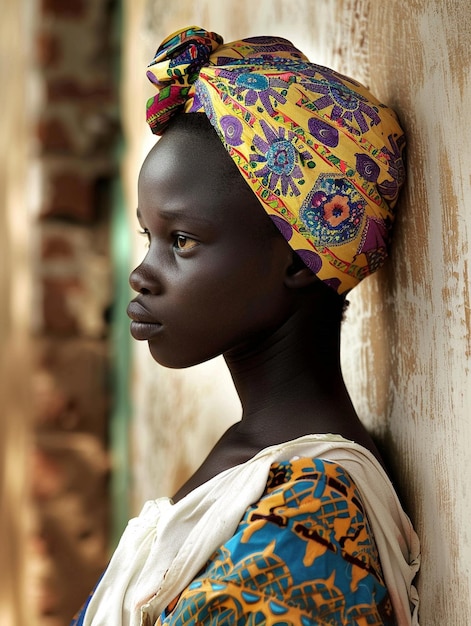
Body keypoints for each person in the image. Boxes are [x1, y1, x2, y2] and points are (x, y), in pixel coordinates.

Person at [72, 26, 420, 626]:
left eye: (181, 241)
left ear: (296, 260)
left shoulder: (313, 514)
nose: (141, 275)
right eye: (148, 236)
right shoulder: (252, 463)